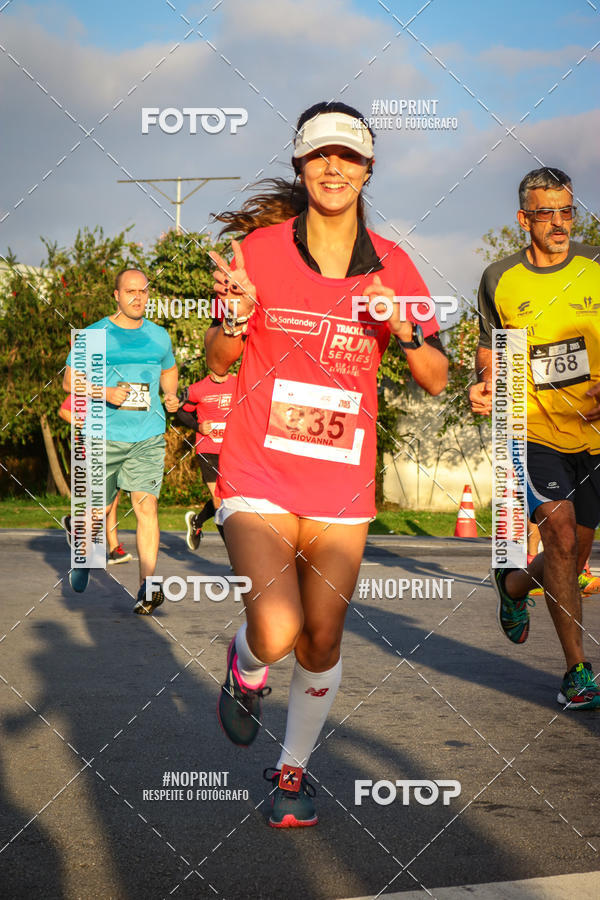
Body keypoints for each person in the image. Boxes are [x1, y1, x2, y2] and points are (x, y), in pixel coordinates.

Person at [205, 101, 448, 827]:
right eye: (319, 154)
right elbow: (218, 362)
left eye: (348, 155)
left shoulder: (394, 264)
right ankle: (248, 665)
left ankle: (292, 772)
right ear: (300, 165)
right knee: (278, 630)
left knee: (322, 638)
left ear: (368, 169)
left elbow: (436, 377)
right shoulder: (257, 251)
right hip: (258, 472)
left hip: (341, 486)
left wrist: (401, 326)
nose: (333, 166)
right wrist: (236, 315)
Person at [469, 166, 600, 708]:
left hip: (594, 434)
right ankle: (577, 672)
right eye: (547, 213)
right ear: (524, 219)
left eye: (567, 211)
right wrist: (483, 384)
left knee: (573, 555)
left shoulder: (596, 264)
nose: (560, 223)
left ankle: (513, 583)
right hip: (534, 429)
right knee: (560, 539)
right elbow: (489, 350)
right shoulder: (499, 278)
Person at [62, 268, 179, 612]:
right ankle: (83, 553)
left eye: (143, 291)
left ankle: (148, 587)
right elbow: (69, 381)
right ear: (116, 295)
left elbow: (169, 369)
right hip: (104, 435)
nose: (138, 297)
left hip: (147, 435)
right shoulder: (94, 334)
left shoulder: (159, 336)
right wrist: (105, 392)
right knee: (98, 511)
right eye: (130, 291)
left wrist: (170, 394)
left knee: (147, 507)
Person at [59, 394, 132, 565]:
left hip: (114, 449)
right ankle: (81, 531)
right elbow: (64, 411)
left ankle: (112, 548)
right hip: (94, 452)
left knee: (112, 498)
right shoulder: (88, 390)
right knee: (105, 501)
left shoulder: (116, 391)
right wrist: (86, 425)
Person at [175, 370, 236, 550]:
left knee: (231, 498)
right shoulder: (197, 389)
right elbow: (181, 412)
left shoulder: (239, 383)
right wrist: (198, 426)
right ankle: (232, 551)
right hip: (208, 450)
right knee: (218, 500)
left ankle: (197, 520)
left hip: (234, 450)